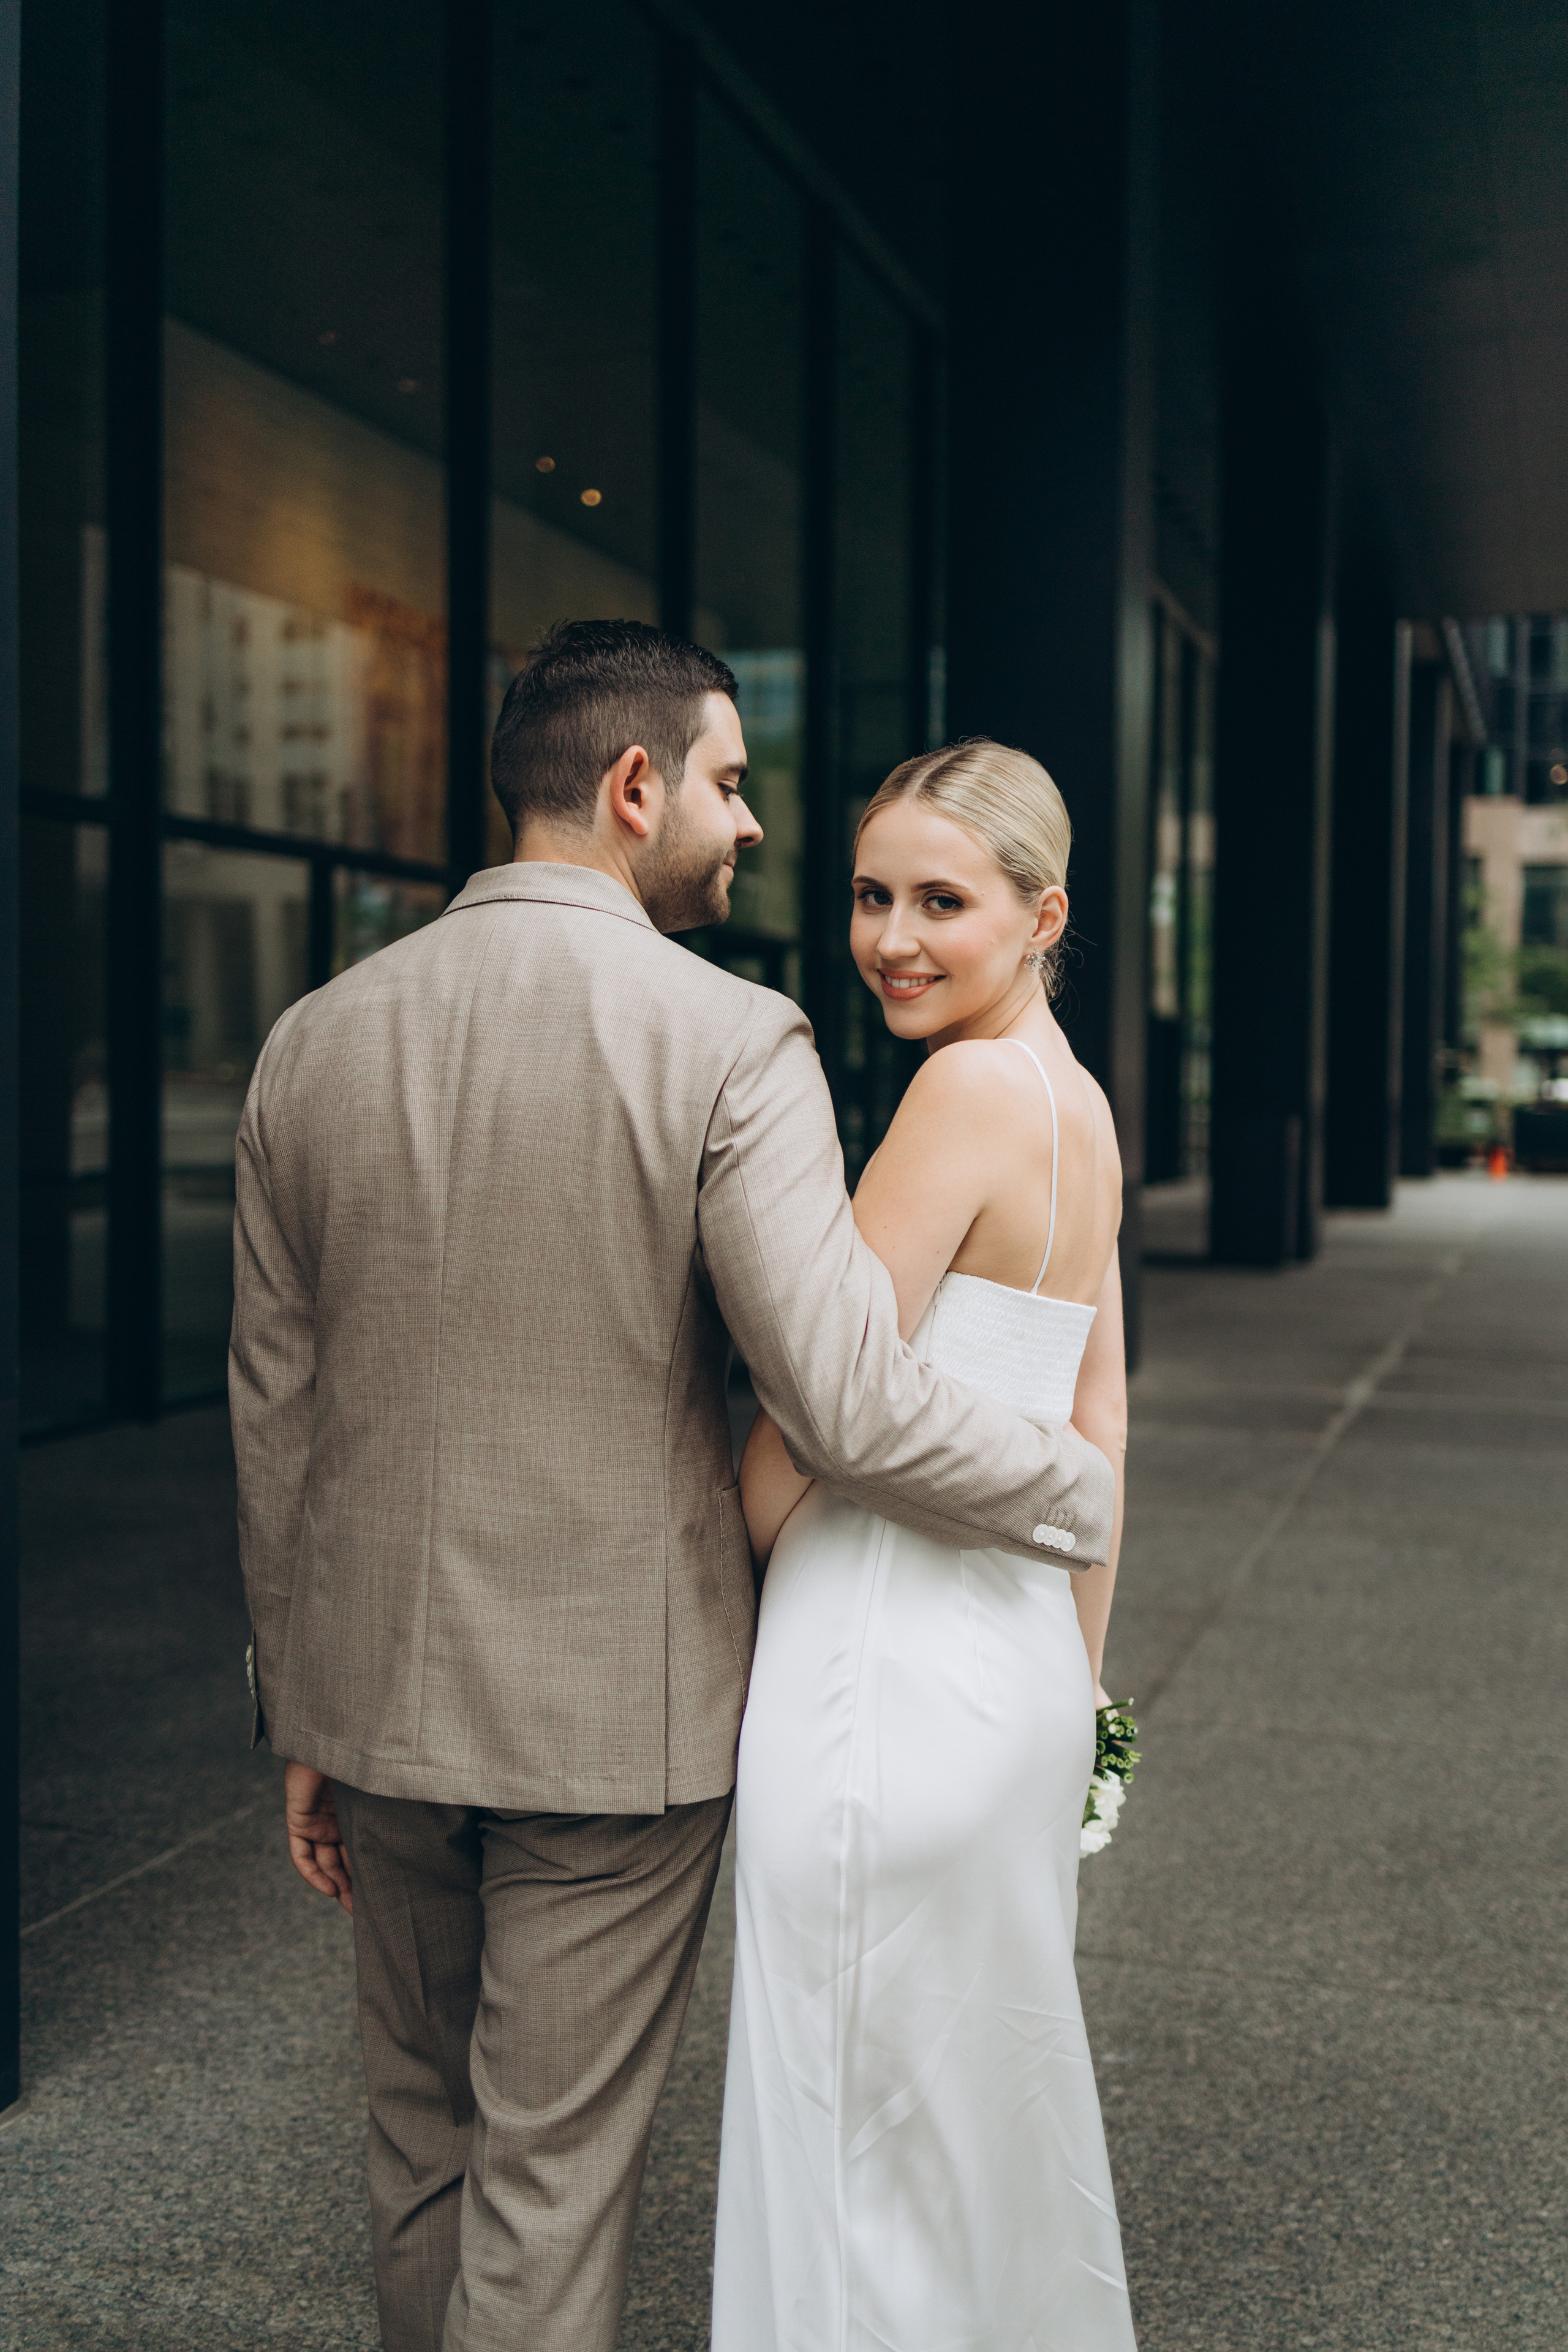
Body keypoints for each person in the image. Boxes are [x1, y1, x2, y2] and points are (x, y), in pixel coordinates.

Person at [229, 622, 1115, 2352]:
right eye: (726, 782)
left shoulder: (310, 1040)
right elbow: (847, 1398)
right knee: (548, 2188)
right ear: (634, 790)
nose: (751, 824)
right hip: (613, 1736)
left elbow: (280, 1408)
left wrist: (301, 1708)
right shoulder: (732, 1040)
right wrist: (1066, 1489)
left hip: (374, 1706)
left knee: (422, 2159)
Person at [715, 739, 1136, 2351]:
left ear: (1044, 915)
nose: (893, 935)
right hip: (1015, 1669)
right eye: (873, 894)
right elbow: (1101, 1431)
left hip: (874, 1668)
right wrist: (1080, 1690)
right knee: (963, 2130)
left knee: (842, 2134)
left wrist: (751, 1561)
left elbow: (818, 1412)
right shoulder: (1078, 1109)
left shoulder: (960, 1094)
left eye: (942, 901)